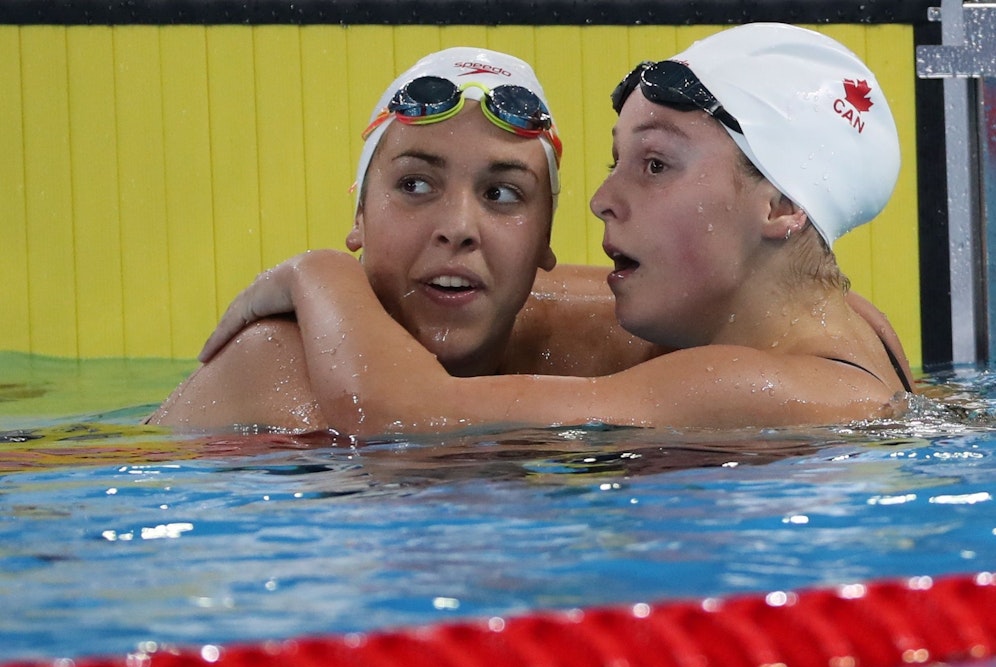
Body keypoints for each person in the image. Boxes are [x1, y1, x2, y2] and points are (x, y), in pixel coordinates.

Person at [184, 22, 916, 436]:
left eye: (655, 165)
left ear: (784, 207)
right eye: (415, 184)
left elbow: (406, 415)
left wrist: (319, 272)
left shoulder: (777, 385)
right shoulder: (833, 325)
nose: (602, 198)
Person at [149, 47, 664, 430]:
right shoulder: (277, 370)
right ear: (360, 213)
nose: (459, 228)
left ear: (544, 239)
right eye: (416, 185)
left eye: (502, 194)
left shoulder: (620, 332)